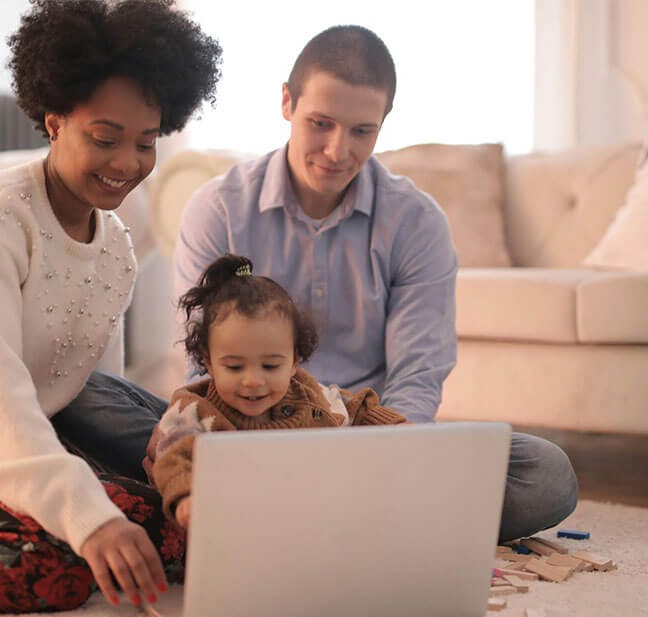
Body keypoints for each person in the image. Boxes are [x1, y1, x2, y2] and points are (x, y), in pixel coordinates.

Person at [169, 25, 578, 543]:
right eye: (321, 123)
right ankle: (365, 523)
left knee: (546, 475)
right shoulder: (220, 207)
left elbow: (418, 373)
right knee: (111, 409)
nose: (338, 150)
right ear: (287, 103)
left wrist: (379, 460)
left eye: (362, 131)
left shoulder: (416, 221)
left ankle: (298, 517)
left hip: (365, 437)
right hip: (242, 429)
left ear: (383, 125)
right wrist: (228, 450)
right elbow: (196, 359)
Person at [0, 0, 221, 613]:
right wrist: (89, 518)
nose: (127, 164)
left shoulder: (116, 246)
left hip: (17, 439)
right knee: (46, 561)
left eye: (145, 143)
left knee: (180, 530)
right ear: (54, 117)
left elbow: (87, 389)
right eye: (105, 138)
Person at [147, 254, 407, 528]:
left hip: (309, 514)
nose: (253, 381)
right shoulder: (191, 410)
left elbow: (355, 407)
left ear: (295, 360)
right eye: (235, 367)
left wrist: (400, 428)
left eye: (270, 366)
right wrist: (187, 496)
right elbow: (172, 456)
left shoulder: (307, 394)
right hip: (233, 521)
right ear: (209, 361)